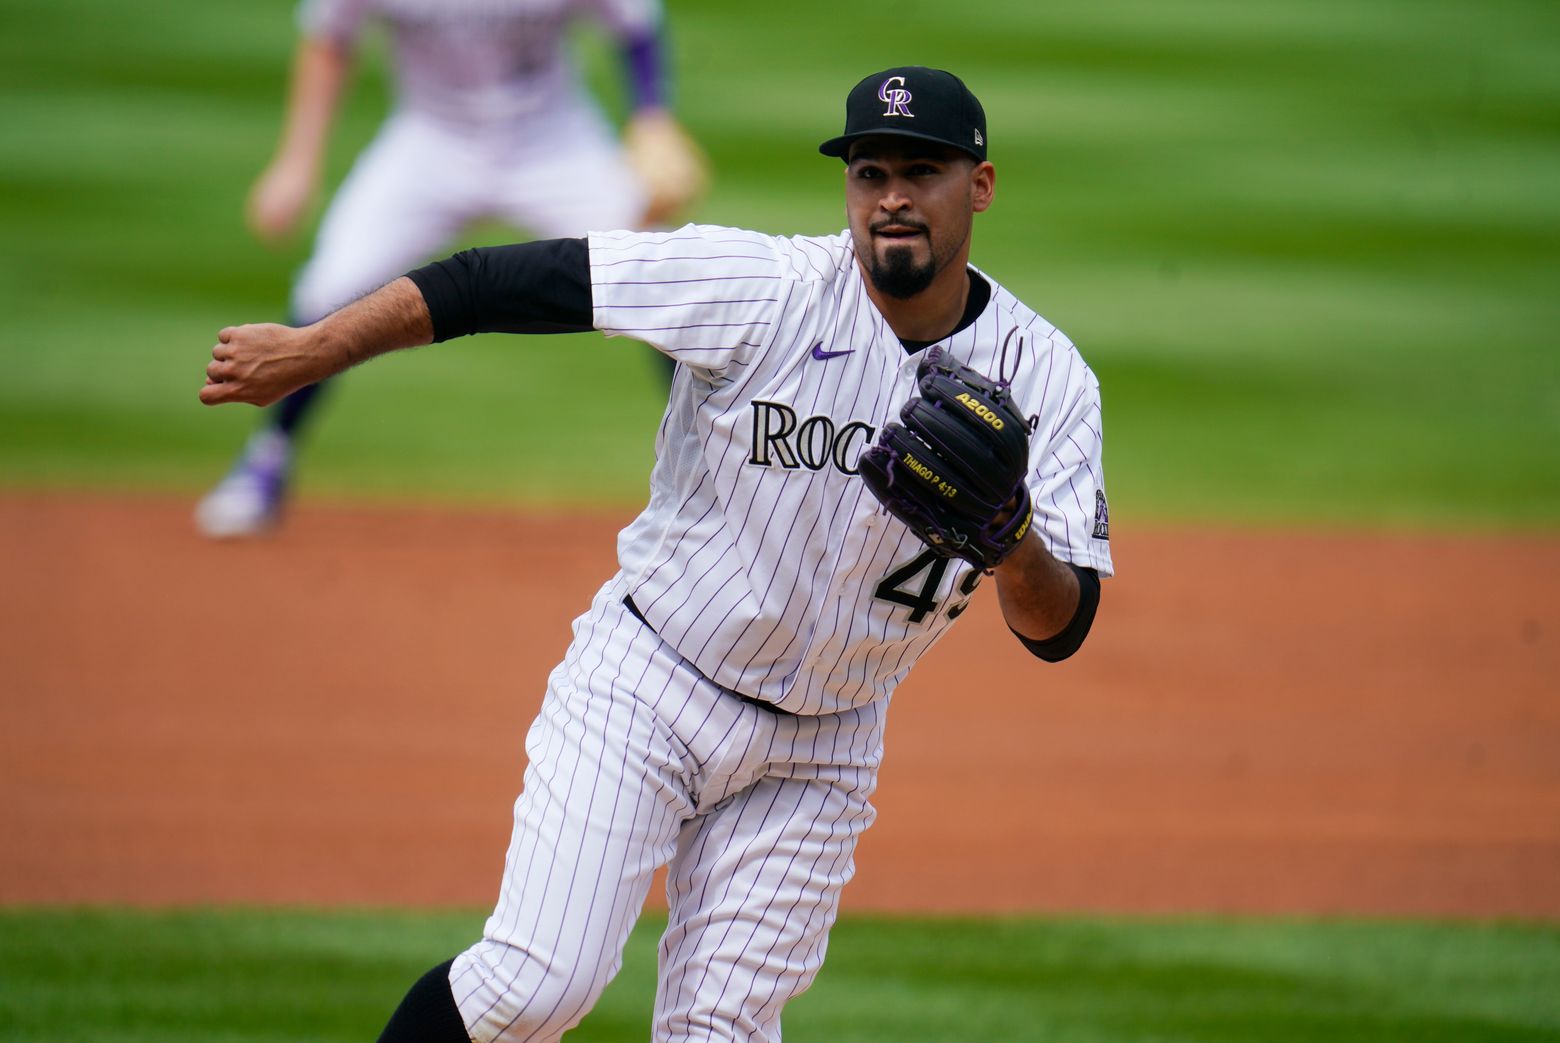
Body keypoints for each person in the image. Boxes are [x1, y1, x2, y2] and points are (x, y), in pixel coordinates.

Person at [200, 66, 1113, 1043]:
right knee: (534, 984)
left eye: (921, 171)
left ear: (978, 184)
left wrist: (1011, 540)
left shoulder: (1047, 377)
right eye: (869, 171)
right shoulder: (763, 289)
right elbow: (501, 281)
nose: (890, 196)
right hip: (650, 683)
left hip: (824, 746)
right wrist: (316, 349)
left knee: (718, 1032)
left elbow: (1063, 626)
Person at [195, 0, 705, 538]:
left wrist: (653, 117)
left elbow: (635, 22)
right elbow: (328, 38)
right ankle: (266, 460)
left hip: (553, 142)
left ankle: (713, 471)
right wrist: (297, 162)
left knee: (654, 275)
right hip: (431, 144)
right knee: (332, 283)